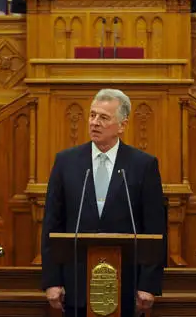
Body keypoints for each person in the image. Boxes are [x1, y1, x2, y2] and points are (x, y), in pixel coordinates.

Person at [41, 89, 166, 317]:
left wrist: (148, 284)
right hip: (75, 284)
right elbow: (52, 225)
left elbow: (155, 228)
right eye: (92, 115)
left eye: (103, 118)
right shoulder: (66, 162)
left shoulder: (143, 165)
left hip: (127, 285)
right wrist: (52, 280)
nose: (94, 123)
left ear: (122, 125)